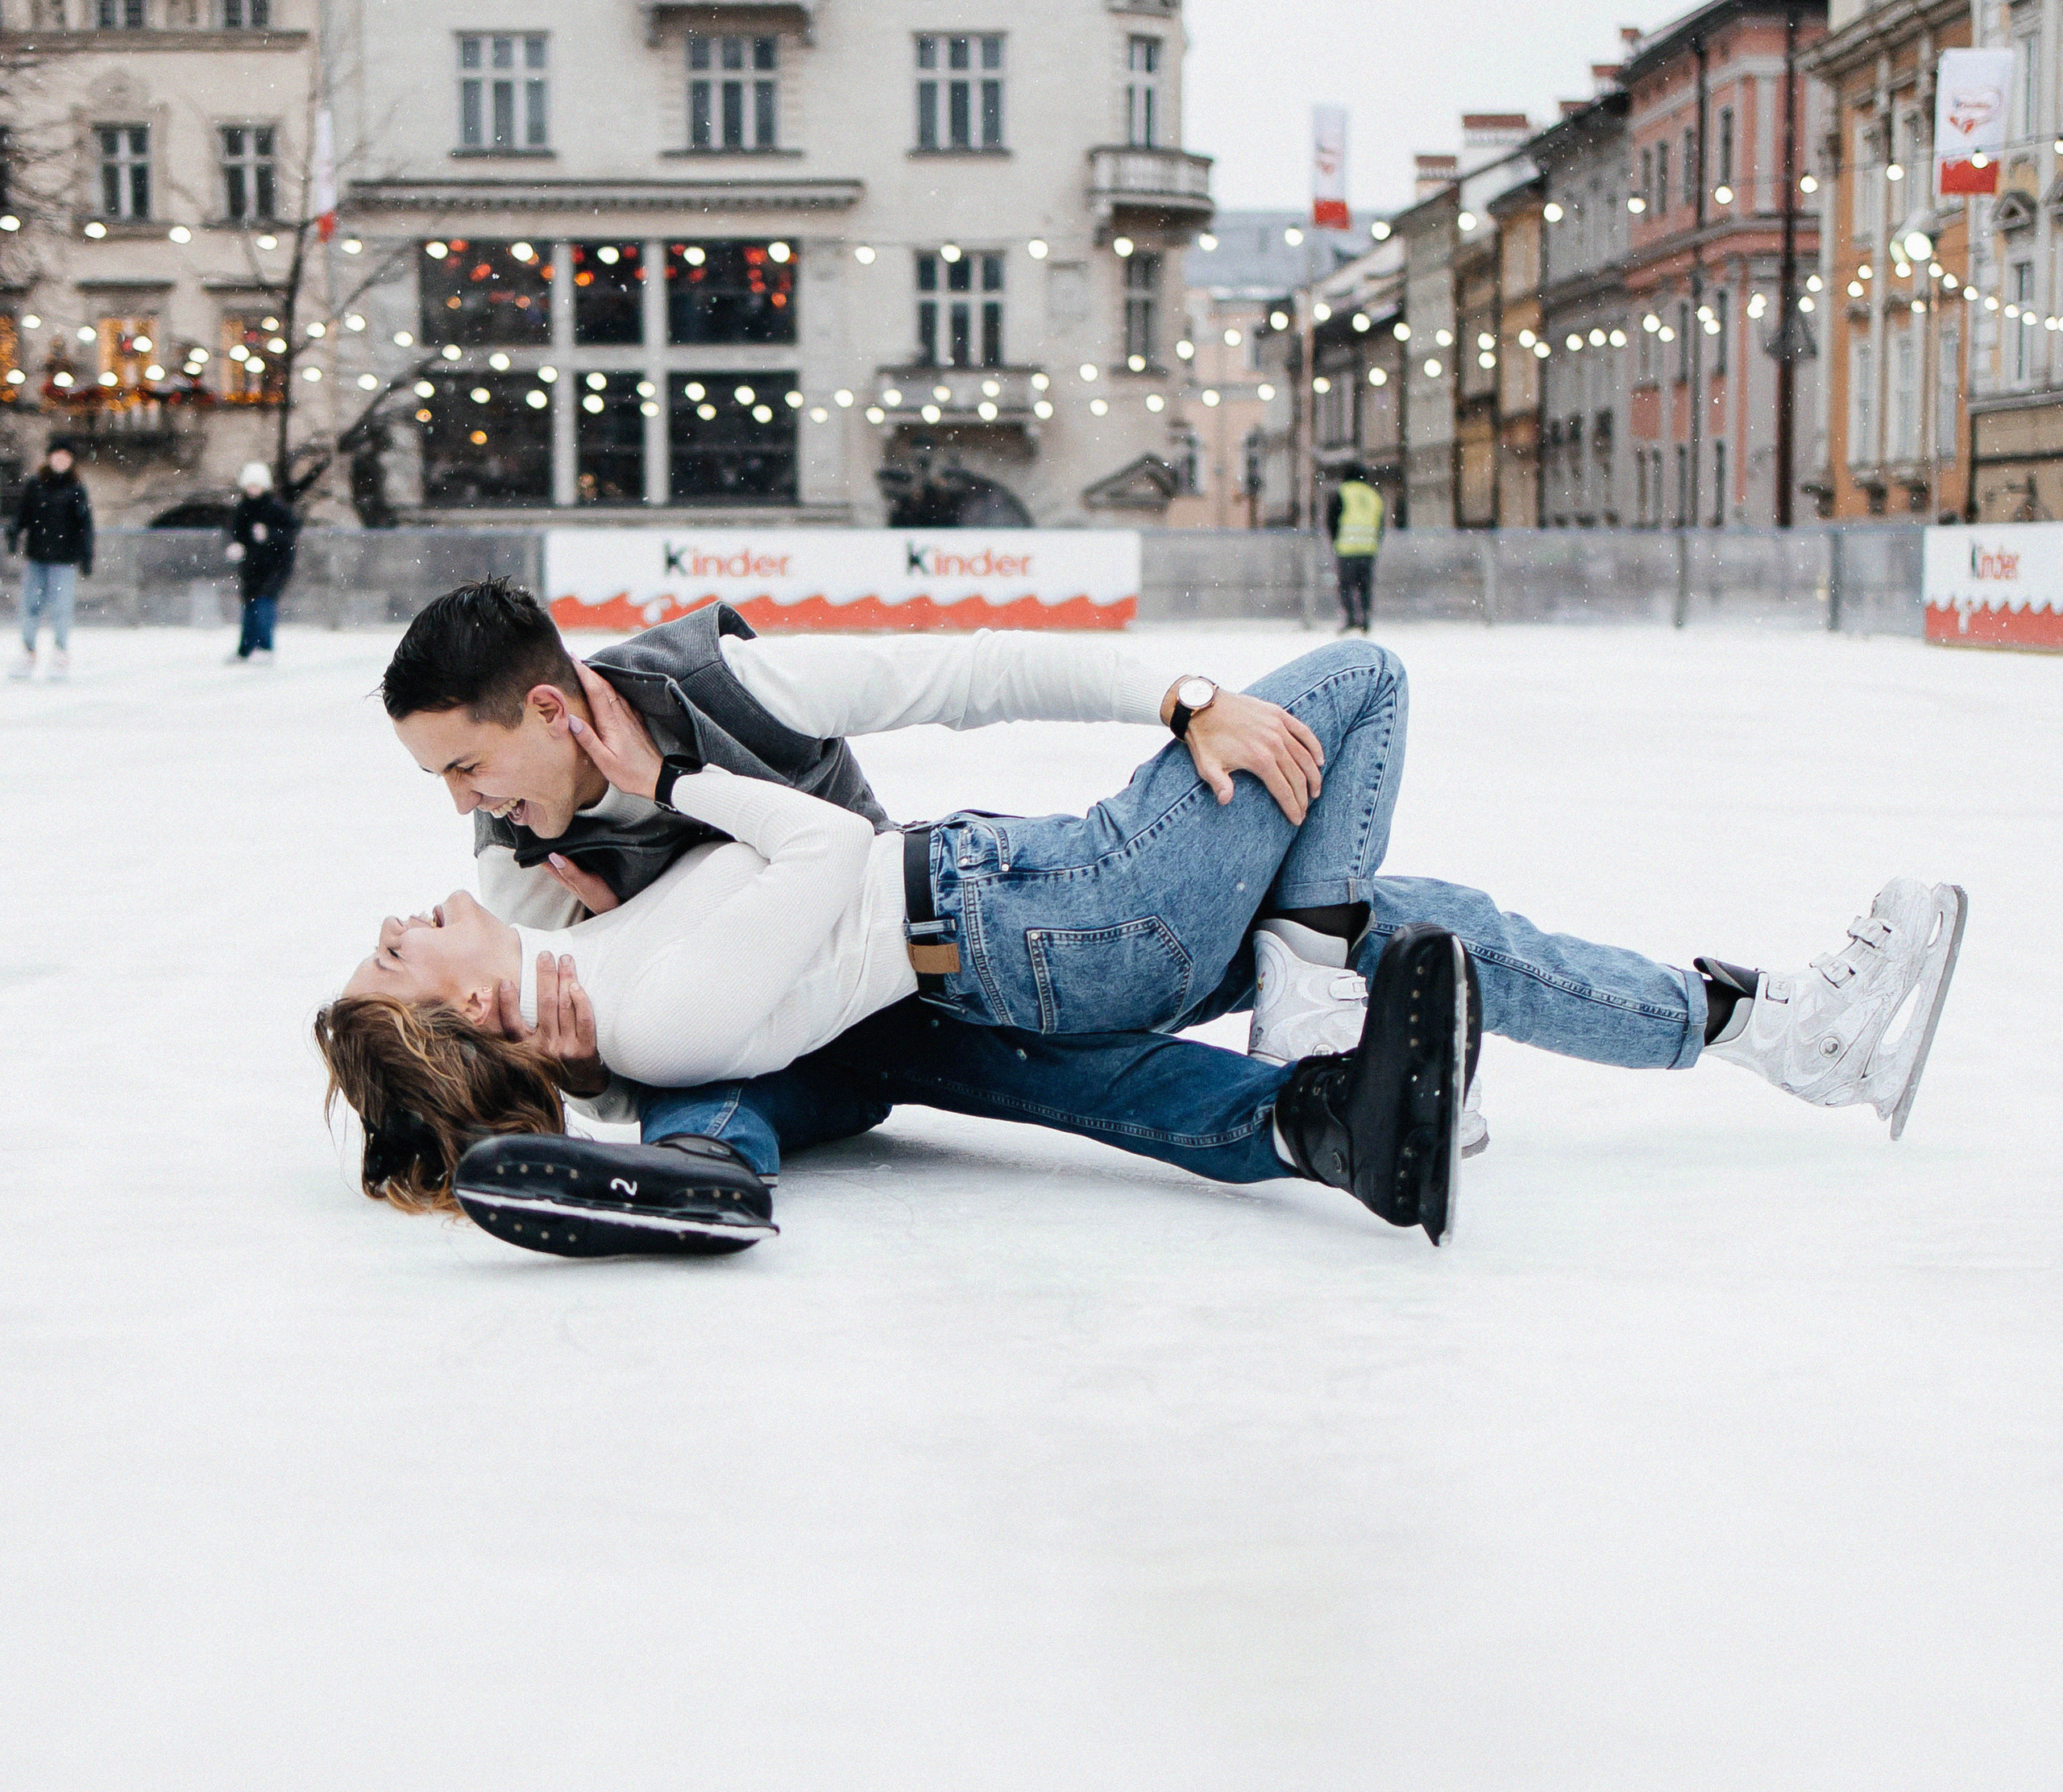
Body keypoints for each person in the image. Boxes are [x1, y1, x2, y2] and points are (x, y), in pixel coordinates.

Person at [315, 615, 1967, 1259]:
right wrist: (555, 1090)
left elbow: (971, 672)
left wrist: (1182, 702)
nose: (460, 813)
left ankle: (1758, 1026)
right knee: (1356, 702)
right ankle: (1313, 1057)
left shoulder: (727, 684)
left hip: (959, 927)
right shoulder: (514, 872)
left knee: (1414, 920)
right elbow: (600, 1022)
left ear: (549, 710)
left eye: (466, 765)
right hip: (959, 936)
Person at [7, 441, 93, 680]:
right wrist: (14, 534)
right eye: (57, 455)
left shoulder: (76, 489)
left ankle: (60, 653)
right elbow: (23, 514)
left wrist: (86, 555)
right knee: (30, 606)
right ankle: (28, 651)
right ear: (49, 458)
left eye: (66, 456)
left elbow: (85, 525)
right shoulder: (35, 485)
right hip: (37, 557)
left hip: (64, 559)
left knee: (61, 607)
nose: (61, 460)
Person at [226, 459, 298, 662]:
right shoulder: (243, 509)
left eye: (256, 485)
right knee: (250, 605)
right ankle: (246, 649)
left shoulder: (276, 508)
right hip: (252, 566)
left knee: (264, 602)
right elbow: (235, 533)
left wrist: (270, 535)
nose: (253, 489)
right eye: (250, 485)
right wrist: (235, 545)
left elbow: (290, 534)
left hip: (276, 566)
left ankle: (265, 647)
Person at [1327, 462, 1383, 633]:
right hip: (1368, 549)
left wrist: (1335, 540)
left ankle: (1351, 617)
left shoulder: (1342, 492)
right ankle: (1365, 617)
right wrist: (1375, 543)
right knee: (1365, 586)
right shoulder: (1373, 495)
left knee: (1346, 585)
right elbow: (1380, 524)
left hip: (1347, 549)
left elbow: (1332, 520)